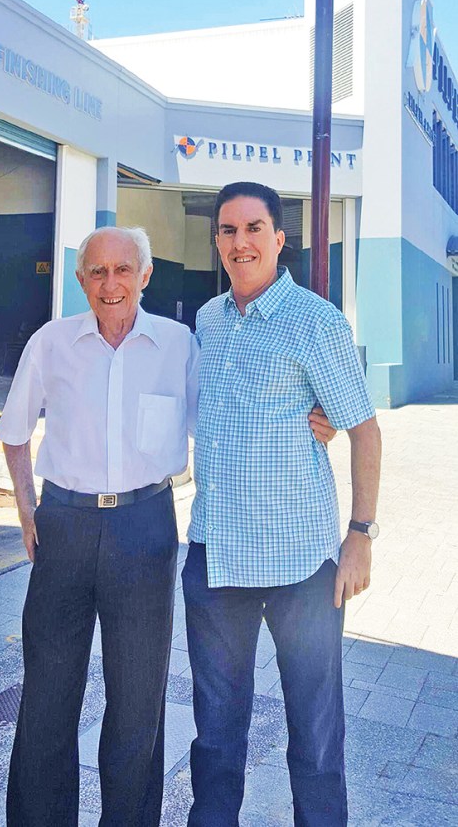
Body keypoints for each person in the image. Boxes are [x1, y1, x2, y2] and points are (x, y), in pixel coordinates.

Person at [182, 181, 381, 827]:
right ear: (217, 240)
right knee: (215, 739)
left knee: (317, 739)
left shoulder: (316, 322)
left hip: (300, 565)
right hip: (216, 562)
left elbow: (364, 429)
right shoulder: (208, 321)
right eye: (228, 230)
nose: (240, 242)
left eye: (253, 228)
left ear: (278, 238)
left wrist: (360, 534)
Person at [0, 226, 199, 827]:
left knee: (138, 701)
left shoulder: (178, 344)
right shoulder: (53, 343)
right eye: (96, 272)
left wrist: (312, 414)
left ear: (145, 275)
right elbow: (12, 431)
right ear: (81, 278)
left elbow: (228, 413)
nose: (110, 285)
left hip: (146, 527)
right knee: (48, 699)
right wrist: (28, 510)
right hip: (65, 526)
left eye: (122, 271)